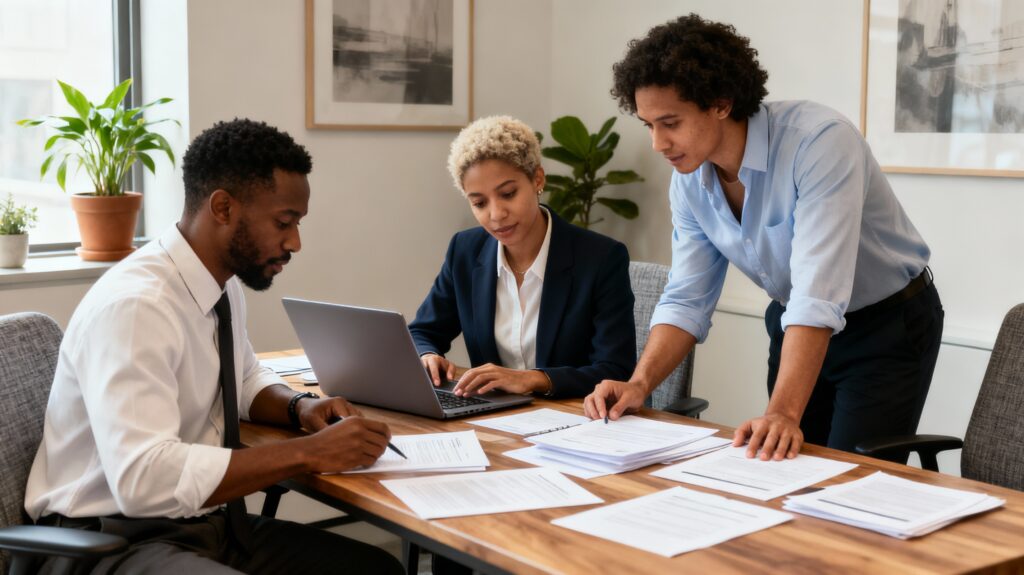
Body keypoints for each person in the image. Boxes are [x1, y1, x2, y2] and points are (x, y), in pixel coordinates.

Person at [25, 119, 404, 574]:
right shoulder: (137, 307)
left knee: (375, 569)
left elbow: (242, 377)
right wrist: (310, 453)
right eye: (284, 222)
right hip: (104, 543)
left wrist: (299, 408)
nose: (295, 242)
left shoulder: (219, 285)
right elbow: (142, 479)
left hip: (198, 525)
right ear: (223, 207)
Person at [584, 14, 944, 462]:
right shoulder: (690, 181)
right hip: (795, 321)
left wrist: (782, 413)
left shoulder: (819, 142)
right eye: (649, 125)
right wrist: (639, 384)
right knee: (782, 464)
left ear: (721, 103)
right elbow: (687, 298)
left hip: (885, 326)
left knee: (849, 476)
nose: (658, 143)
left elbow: (817, 292)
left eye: (670, 122)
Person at [408, 115, 637, 400]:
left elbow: (615, 369)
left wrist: (534, 379)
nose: (496, 214)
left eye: (508, 194)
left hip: (574, 415)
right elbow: (422, 332)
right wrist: (427, 355)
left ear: (537, 179)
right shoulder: (465, 251)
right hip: (492, 416)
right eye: (479, 202)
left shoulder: (601, 258)